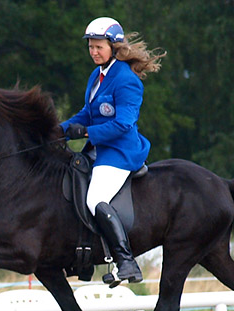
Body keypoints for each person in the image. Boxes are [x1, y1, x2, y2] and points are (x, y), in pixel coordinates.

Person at [60, 16, 166, 286]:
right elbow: (88, 113)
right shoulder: (97, 75)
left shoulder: (126, 80)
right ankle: (82, 259)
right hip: (98, 149)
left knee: (95, 199)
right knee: (71, 185)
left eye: (99, 47)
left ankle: (126, 261)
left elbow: (123, 124)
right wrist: (58, 130)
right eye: (91, 47)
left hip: (120, 152)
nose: (94, 52)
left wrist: (84, 132)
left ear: (114, 47)